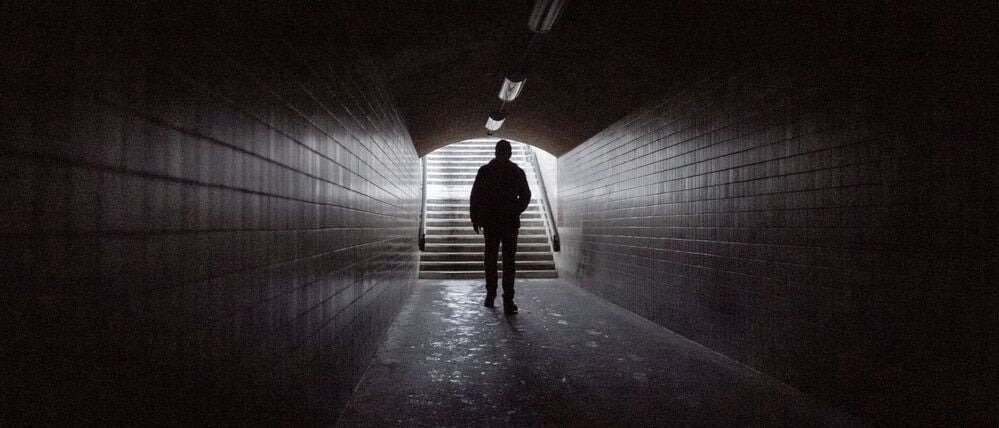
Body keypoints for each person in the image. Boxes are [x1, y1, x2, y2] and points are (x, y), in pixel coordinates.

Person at [470, 139, 531, 314]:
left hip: (490, 222)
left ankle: (490, 296)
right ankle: (508, 300)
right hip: (510, 223)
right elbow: (526, 195)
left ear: (496, 152)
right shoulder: (516, 172)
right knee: (509, 261)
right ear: (509, 153)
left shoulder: (485, 171)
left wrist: (476, 218)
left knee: (490, 259)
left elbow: (475, 195)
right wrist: (515, 210)